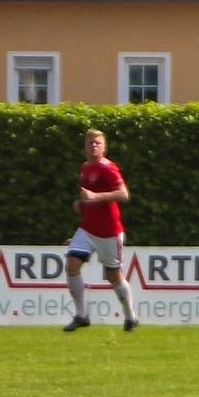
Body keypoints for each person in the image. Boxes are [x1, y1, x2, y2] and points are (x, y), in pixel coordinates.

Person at [64, 128, 138, 332]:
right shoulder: (85, 167)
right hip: (87, 229)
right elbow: (89, 195)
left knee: (114, 276)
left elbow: (124, 195)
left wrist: (95, 198)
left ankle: (131, 316)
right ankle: (81, 315)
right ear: (85, 147)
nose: (93, 145)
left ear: (104, 147)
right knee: (71, 265)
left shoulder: (109, 168)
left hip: (109, 232)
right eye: (90, 143)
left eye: (97, 142)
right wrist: (81, 204)